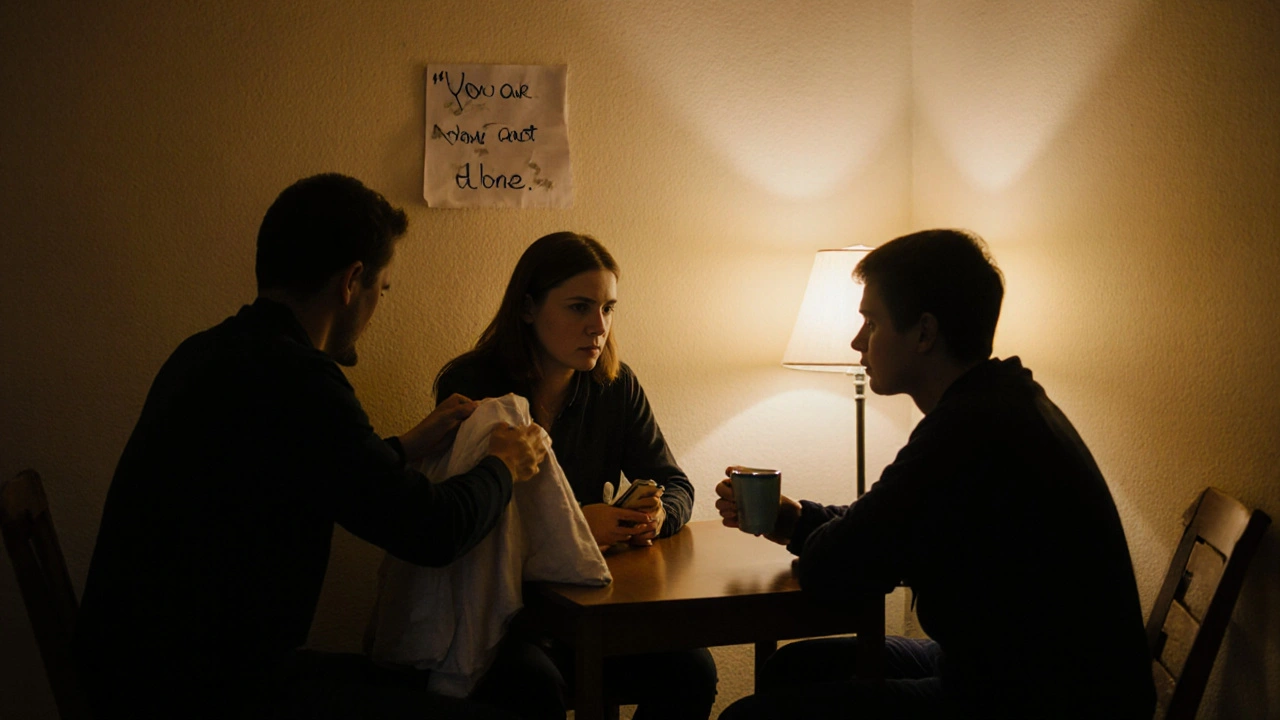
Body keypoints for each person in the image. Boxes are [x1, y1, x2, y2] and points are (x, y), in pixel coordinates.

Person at [73, 173, 547, 719]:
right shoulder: (299, 381)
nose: (376, 307)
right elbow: (431, 529)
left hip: (143, 669)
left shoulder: (210, 352)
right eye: (382, 289)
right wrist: (504, 465)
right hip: (203, 693)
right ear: (352, 281)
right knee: (511, 700)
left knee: (511, 681)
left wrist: (405, 446)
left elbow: (318, 467)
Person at [716, 229, 1155, 720]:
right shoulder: (998, 401)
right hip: (1017, 672)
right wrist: (793, 520)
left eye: (871, 322)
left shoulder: (969, 431)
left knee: (747, 718)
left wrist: (809, 532)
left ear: (925, 333)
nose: (856, 341)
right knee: (795, 666)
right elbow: (885, 525)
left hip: (1039, 700)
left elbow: (841, 563)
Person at [429, 231, 716, 719]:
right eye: (580, 307)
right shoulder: (473, 385)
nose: (598, 326)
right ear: (527, 309)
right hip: (502, 613)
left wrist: (657, 516)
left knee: (691, 668)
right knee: (532, 685)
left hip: (587, 609)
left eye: (608, 309)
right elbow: (464, 523)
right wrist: (579, 526)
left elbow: (676, 483)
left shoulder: (615, 383)